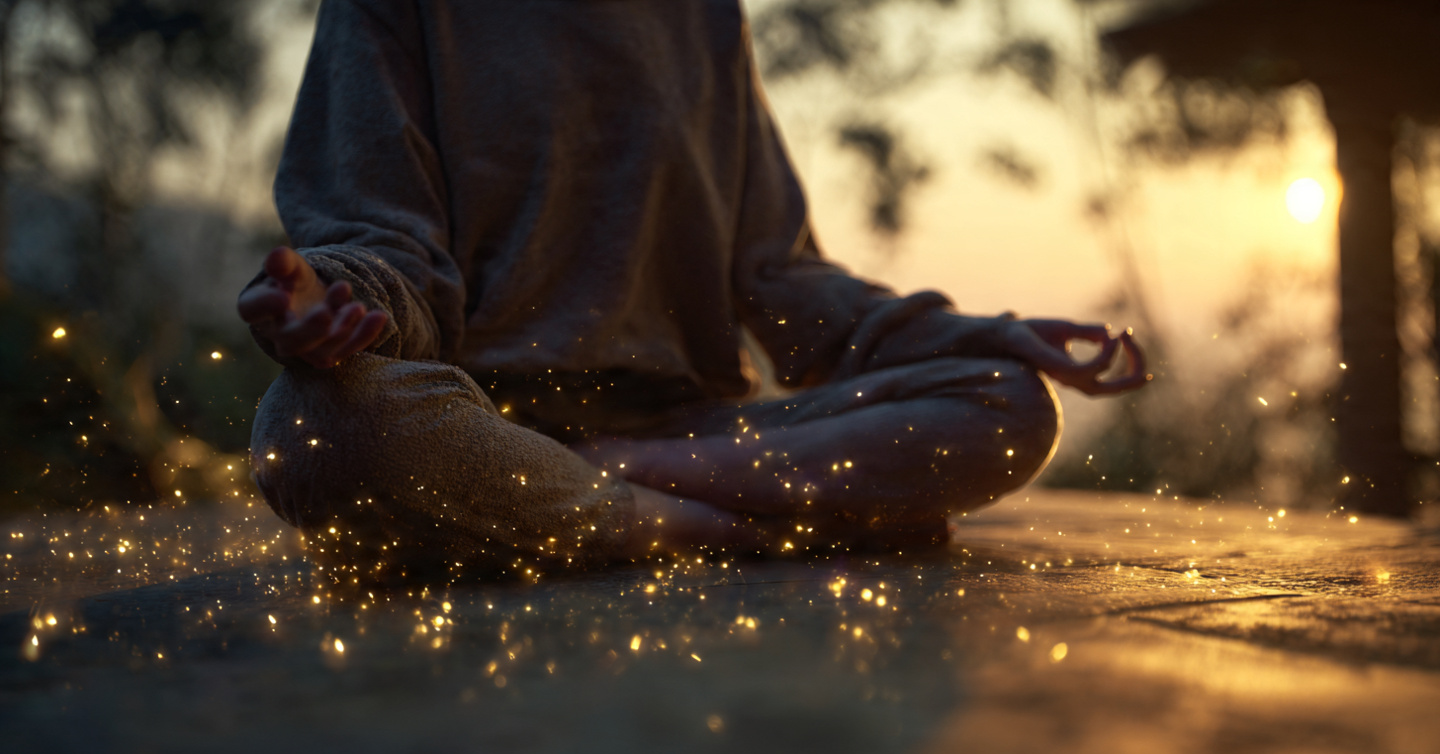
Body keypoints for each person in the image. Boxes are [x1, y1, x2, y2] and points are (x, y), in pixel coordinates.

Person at [238, 0, 1146, 581]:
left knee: (1007, 406)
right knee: (313, 430)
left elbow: (780, 276)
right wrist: (334, 306)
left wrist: (973, 336)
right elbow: (388, 249)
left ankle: (634, 495)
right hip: (486, 429)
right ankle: (715, 529)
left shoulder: (705, 17)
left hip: (696, 437)